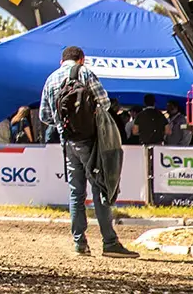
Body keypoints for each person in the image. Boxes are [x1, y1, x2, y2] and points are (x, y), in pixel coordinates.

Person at [38, 46, 140, 258]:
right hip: (90, 141)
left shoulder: (51, 79)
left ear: (61, 61)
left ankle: (80, 243)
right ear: (81, 59)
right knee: (100, 189)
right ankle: (109, 242)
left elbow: (44, 116)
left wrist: (63, 123)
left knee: (76, 192)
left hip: (67, 143)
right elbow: (103, 102)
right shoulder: (84, 73)